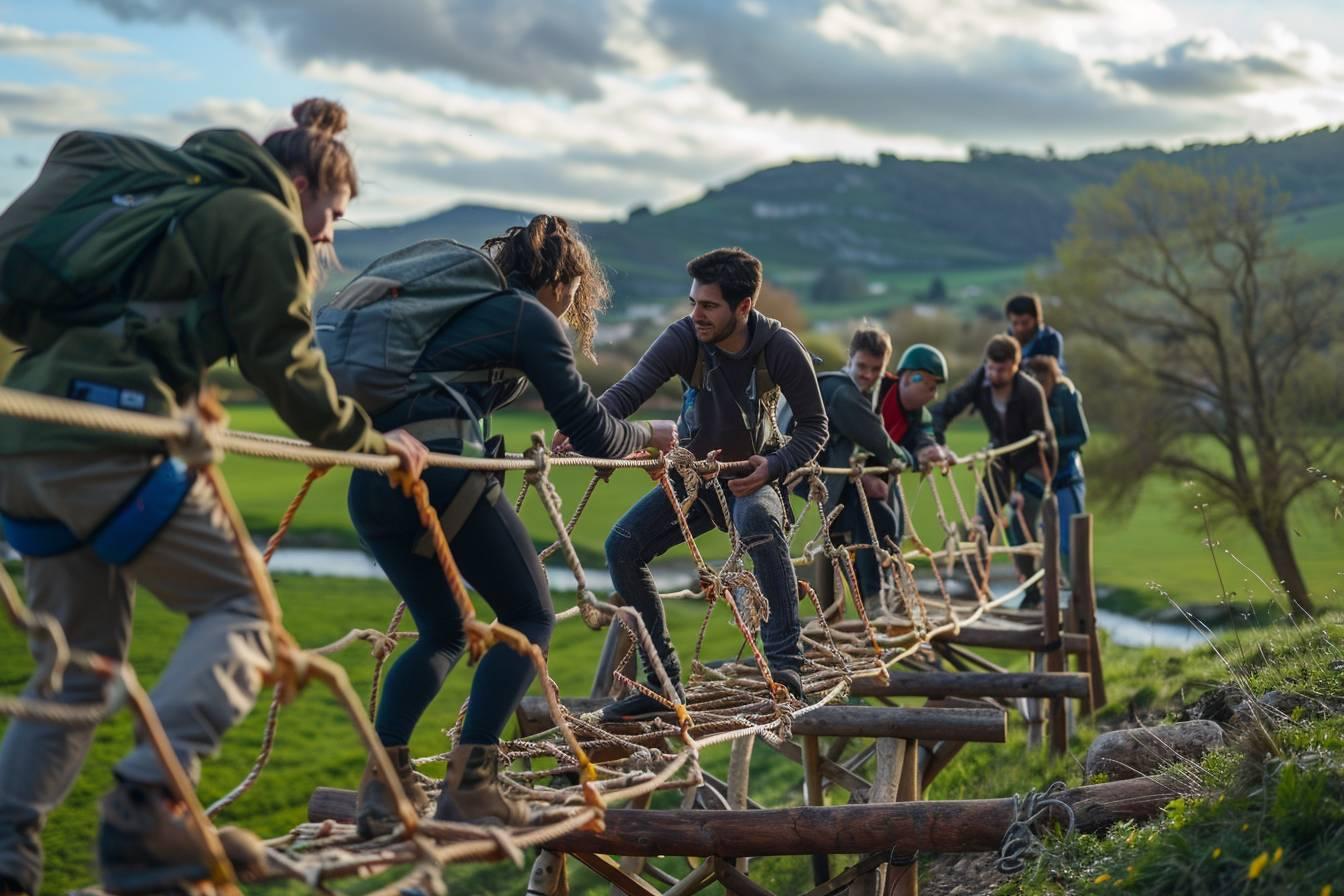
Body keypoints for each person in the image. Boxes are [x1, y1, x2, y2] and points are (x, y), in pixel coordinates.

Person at [0, 99, 428, 895]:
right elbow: (287, 368)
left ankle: (6, 851)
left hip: (23, 444)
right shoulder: (260, 218)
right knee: (245, 616)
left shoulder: (174, 200)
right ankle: (145, 811)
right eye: (332, 214)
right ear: (301, 184)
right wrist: (374, 445)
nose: (327, 236)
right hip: (108, 438)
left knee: (79, 666)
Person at [342, 216, 677, 835]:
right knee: (530, 618)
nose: (574, 305)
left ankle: (382, 788)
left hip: (373, 479)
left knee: (444, 630)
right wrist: (651, 434)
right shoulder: (528, 318)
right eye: (576, 292)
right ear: (562, 282)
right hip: (443, 472)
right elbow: (592, 430)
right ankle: (471, 789)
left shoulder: (464, 315)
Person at [588, 247, 827, 720]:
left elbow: (815, 427)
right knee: (622, 546)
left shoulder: (781, 348)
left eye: (709, 305)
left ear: (744, 307)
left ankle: (786, 667)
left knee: (759, 520)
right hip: (694, 479)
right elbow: (630, 391)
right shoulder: (684, 337)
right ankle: (662, 682)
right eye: (694, 302)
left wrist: (773, 466)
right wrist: (584, 426)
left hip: (752, 478)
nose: (696, 313)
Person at [930, 334, 1056, 606]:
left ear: (1015, 366)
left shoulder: (1030, 391)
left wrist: (1022, 488)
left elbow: (1043, 441)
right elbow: (944, 410)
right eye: (990, 368)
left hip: (1033, 462)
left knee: (1020, 522)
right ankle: (978, 591)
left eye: (1001, 370)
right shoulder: (980, 382)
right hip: (1000, 458)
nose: (994, 374)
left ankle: (1032, 593)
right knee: (983, 523)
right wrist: (937, 444)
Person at [811, 326, 913, 610]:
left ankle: (877, 598)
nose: (868, 375)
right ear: (850, 358)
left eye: (875, 369)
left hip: (839, 478)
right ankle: (875, 599)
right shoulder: (843, 393)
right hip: (825, 481)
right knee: (876, 521)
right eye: (862, 366)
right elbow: (879, 441)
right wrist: (910, 460)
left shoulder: (860, 389)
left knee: (872, 524)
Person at [1025, 354, 1088, 574]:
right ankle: (1040, 583)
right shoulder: (1026, 401)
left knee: (1070, 542)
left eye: (1043, 383)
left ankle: (1076, 589)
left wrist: (1051, 445)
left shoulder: (1067, 396)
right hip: (1039, 476)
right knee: (1040, 537)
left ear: (1052, 379)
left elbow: (1081, 436)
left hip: (1067, 475)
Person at [1005, 293, 1065, 371]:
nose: (1020, 328)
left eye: (1025, 323)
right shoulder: (1005, 341)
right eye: (1015, 323)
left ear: (1036, 320)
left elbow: (1053, 371)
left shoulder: (1050, 339)